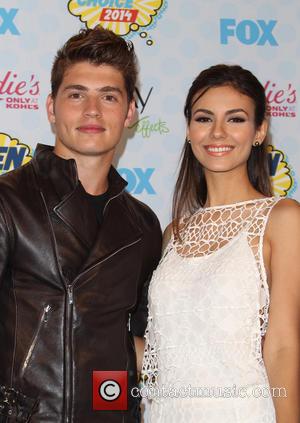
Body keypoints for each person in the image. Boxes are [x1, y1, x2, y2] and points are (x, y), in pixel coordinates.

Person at [0, 28, 162, 422]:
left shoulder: (141, 223)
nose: (92, 110)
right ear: (52, 108)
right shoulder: (9, 201)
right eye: (77, 94)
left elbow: (139, 343)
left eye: (108, 96)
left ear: (129, 113)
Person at [142, 64, 300, 422]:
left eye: (236, 119)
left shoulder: (282, 219)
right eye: (204, 118)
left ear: (259, 131)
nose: (217, 133)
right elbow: (161, 351)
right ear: (188, 129)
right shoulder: (174, 234)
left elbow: (283, 347)